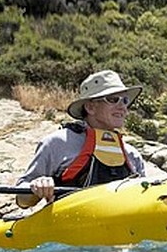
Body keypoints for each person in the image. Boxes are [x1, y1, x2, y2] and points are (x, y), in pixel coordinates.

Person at [15, 70, 147, 207]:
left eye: (125, 101)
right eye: (113, 100)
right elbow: (21, 199)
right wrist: (37, 186)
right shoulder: (57, 143)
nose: (123, 108)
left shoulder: (132, 154)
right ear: (90, 107)